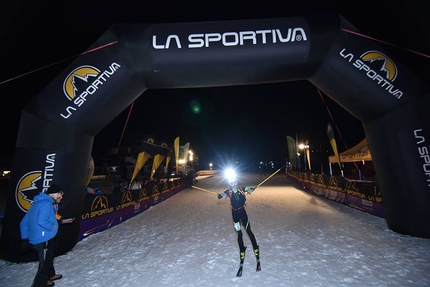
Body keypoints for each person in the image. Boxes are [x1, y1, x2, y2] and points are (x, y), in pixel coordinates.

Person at [20, 184, 64, 287]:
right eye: (60, 194)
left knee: (49, 256)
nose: (61, 197)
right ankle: (39, 284)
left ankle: (50, 275)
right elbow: (42, 221)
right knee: (45, 264)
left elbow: (24, 222)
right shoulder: (46, 204)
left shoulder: (37, 203)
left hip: (43, 237)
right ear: (54, 193)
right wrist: (54, 226)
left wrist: (25, 238)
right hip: (43, 239)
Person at [217, 177, 260, 270]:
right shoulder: (228, 191)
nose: (233, 184)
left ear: (237, 182)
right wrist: (220, 196)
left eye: (235, 182)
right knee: (239, 234)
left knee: (249, 230)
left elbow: (249, 188)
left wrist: (251, 189)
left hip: (243, 212)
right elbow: (222, 195)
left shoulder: (241, 188)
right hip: (235, 214)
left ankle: (255, 248)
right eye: (231, 182)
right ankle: (242, 250)